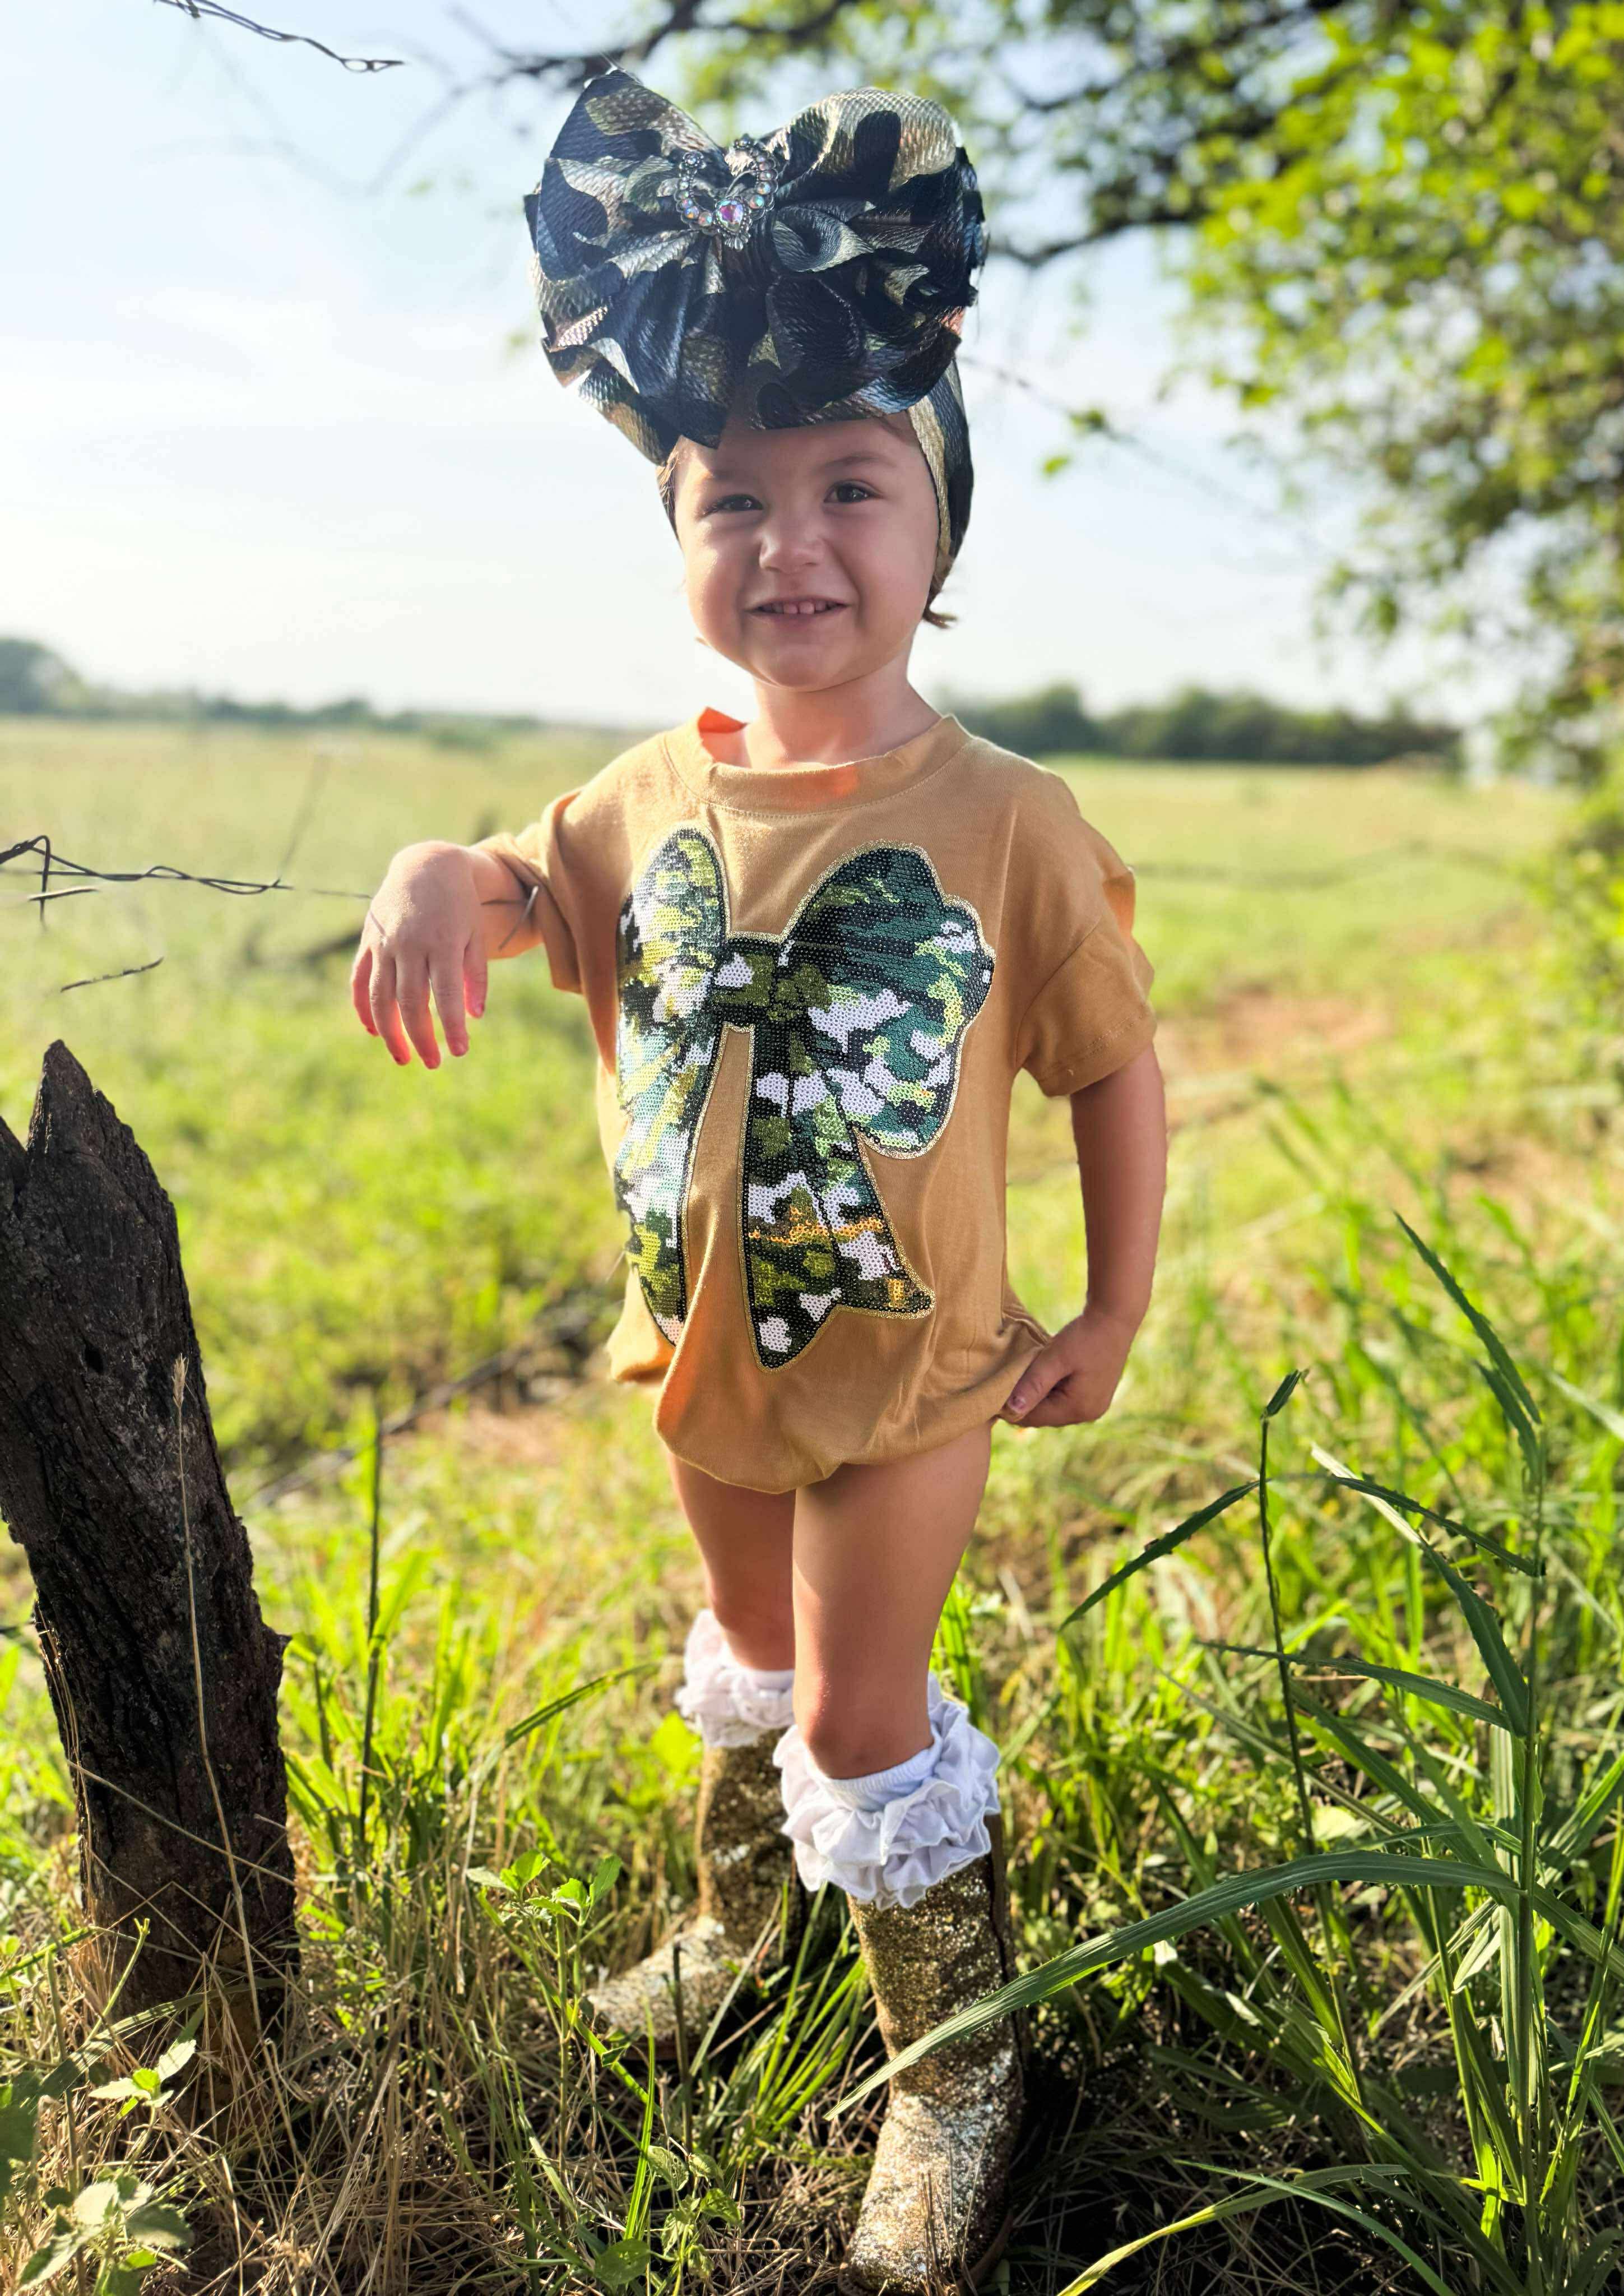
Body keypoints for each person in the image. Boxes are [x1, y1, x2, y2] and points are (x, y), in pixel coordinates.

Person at [351, 64, 1168, 2295]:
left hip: (909, 1368)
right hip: (698, 1344)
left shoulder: (1001, 816)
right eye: (734, 499)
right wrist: (433, 871)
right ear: (676, 533)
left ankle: (956, 2069)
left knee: (854, 1710)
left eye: (849, 487)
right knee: (739, 1643)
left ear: (934, 532)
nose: (789, 542)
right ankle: (744, 1925)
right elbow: (512, 882)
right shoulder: (638, 798)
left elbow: (1110, 1067)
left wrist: (1109, 1306)